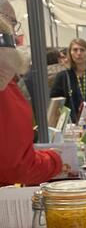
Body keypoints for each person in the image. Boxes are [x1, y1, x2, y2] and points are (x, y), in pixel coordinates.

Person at [0, 13, 61, 186]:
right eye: (11, 21)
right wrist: (54, 160)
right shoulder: (6, 91)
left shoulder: (8, 85)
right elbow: (15, 167)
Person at [50, 38, 86, 123]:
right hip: (71, 127)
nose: (78, 53)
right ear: (70, 54)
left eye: (82, 50)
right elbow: (56, 103)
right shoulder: (62, 77)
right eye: (75, 50)